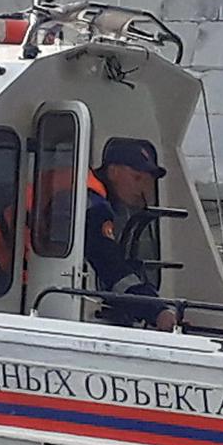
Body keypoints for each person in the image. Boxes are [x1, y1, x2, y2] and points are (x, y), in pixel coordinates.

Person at [85, 138, 176, 332]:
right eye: (137, 178)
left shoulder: (86, 190)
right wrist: (157, 311)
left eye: (147, 181)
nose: (142, 189)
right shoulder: (93, 206)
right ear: (113, 172)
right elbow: (110, 265)